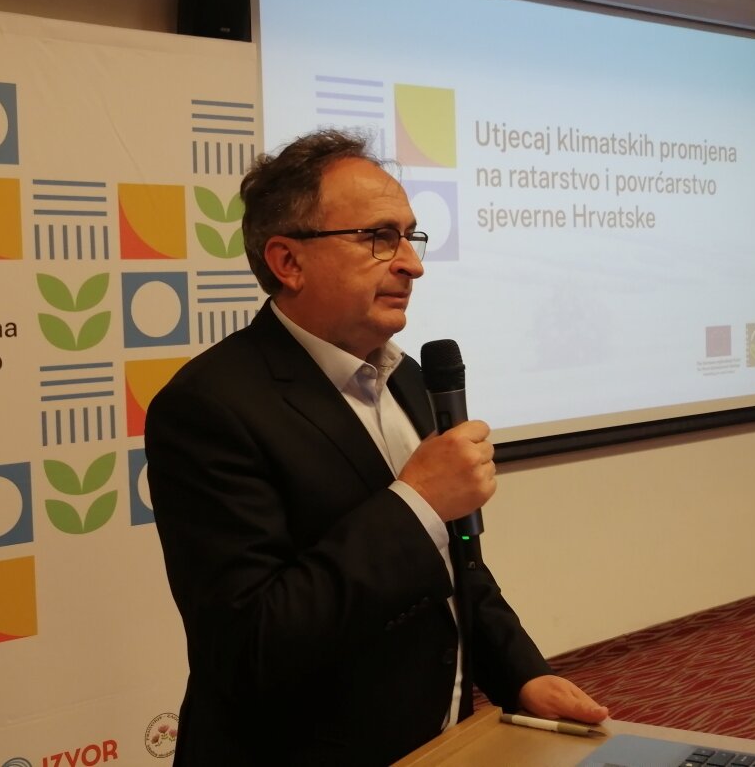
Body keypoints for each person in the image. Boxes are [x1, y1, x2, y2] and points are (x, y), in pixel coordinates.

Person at [144, 128, 607, 765]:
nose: (413, 263)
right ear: (288, 262)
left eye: (410, 236)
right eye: (379, 237)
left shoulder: (407, 377)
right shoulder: (209, 407)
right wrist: (417, 504)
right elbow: (251, 641)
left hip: (438, 743)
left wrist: (521, 675)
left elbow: (456, 568)